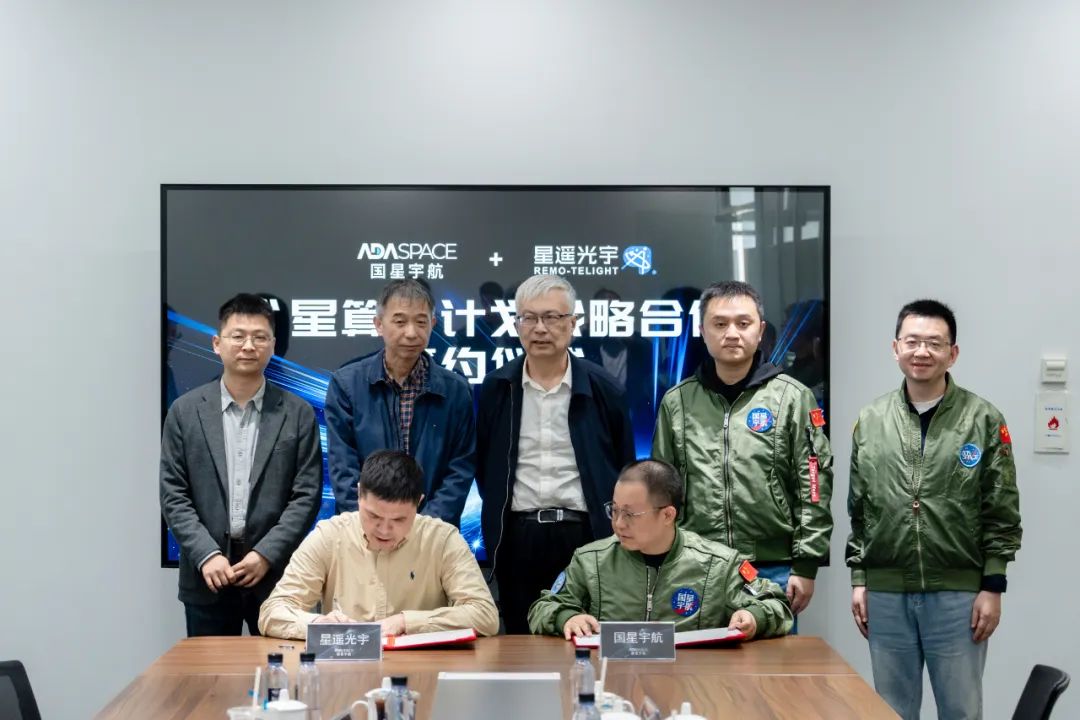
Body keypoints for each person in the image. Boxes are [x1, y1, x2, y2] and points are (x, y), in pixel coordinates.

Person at [846, 299, 1022, 720]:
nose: (921, 351)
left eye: (934, 343)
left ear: (952, 353)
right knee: (891, 711)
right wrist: (860, 579)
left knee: (961, 710)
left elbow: (1001, 506)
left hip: (958, 594)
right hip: (886, 593)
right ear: (895, 348)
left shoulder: (982, 418)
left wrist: (993, 585)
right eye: (912, 341)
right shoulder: (870, 420)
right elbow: (860, 508)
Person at [652, 281, 833, 619]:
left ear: (760, 330)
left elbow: (814, 484)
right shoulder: (677, 402)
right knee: (697, 653)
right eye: (720, 323)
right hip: (695, 564)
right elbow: (662, 490)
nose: (732, 333)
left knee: (769, 654)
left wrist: (806, 563)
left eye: (743, 323)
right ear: (702, 331)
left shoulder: (793, 398)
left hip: (772, 568)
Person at [476, 275, 636, 633]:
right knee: (521, 640)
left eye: (552, 317)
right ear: (516, 325)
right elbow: (487, 469)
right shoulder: (497, 388)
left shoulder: (605, 389)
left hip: (586, 536)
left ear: (573, 324)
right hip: (518, 537)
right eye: (529, 318)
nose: (540, 328)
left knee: (587, 638)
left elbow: (623, 466)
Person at [160, 293, 322, 636]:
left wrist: (266, 554)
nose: (249, 346)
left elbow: (306, 496)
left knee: (281, 668)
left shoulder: (298, 414)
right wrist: (207, 554)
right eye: (238, 336)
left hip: (274, 575)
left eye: (260, 337)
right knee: (211, 671)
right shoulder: (185, 412)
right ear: (217, 343)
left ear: (273, 345)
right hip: (207, 576)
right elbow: (173, 493)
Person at [528, 459, 792, 640]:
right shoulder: (590, 561)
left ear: (667, 515)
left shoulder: (719, 564)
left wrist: (753, 616)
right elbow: (543, 607)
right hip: (615, 683)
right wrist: (567, 618)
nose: (619, 523)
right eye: (614, 510)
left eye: (630, 514)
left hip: (693, 684)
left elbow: (775, 604)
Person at [259, 449, 499, 640]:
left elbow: (485, 615)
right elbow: (272, 611)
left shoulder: (443, 539)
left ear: (419, 503)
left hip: (421, 670)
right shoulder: (329, 535)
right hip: (347, 669)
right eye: (373, 516)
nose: (384, 530)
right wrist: (318, 624)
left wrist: (406, 622)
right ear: (359, 494)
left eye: (399, 520)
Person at [324, 279, 475, 522]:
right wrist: (376, 523)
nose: (411, 332)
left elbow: (460, 469)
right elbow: (342, 467)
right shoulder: (346, 384)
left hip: (432, 534)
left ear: (433, 325)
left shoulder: (456, 390)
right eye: (400, 321)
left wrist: (424, 528)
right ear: (379, 324)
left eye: (421, 322)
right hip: (364, 532)